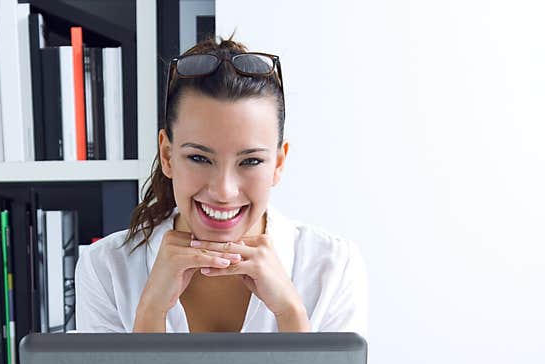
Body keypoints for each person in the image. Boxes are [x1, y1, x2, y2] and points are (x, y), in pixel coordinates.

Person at [74, 36, 367, 338]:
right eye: (199, 157)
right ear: (167, 155)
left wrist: (291, 313)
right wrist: (151, 312)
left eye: (250, 161)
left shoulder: (332, 267)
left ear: (278, 164)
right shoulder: (106, 269)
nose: (224, 191)